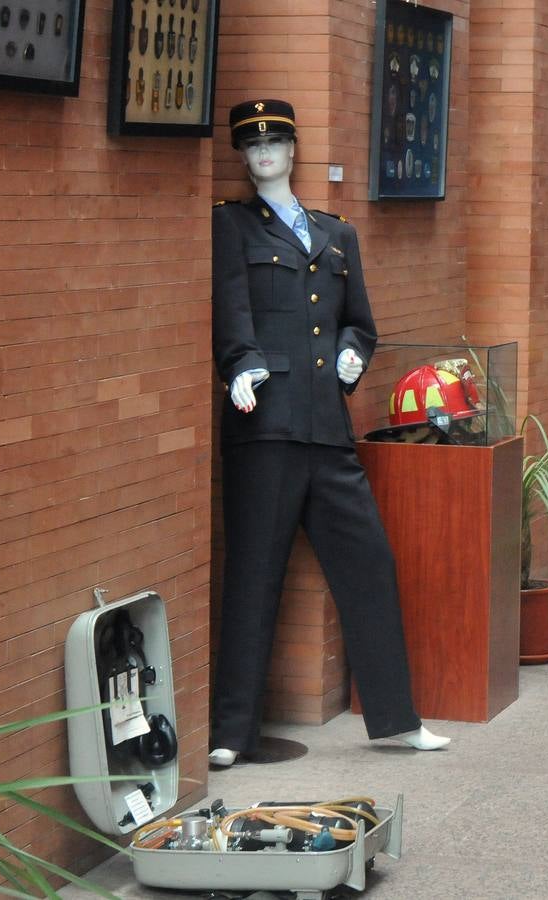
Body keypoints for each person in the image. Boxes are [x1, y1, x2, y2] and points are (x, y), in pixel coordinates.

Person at [208, 98, 449, 767]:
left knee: (370, 563)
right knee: (254, 575)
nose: (263, 154)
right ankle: (231, 732)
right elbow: (230, 306)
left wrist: (351, 355)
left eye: (274, 143)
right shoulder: (231, 225)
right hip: (266, 427)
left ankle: (398, 719)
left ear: (292, 150)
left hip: (327, 430)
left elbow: (359, 323)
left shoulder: (335, 233)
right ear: (243, 156)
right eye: (252, 146)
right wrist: (240, 364)